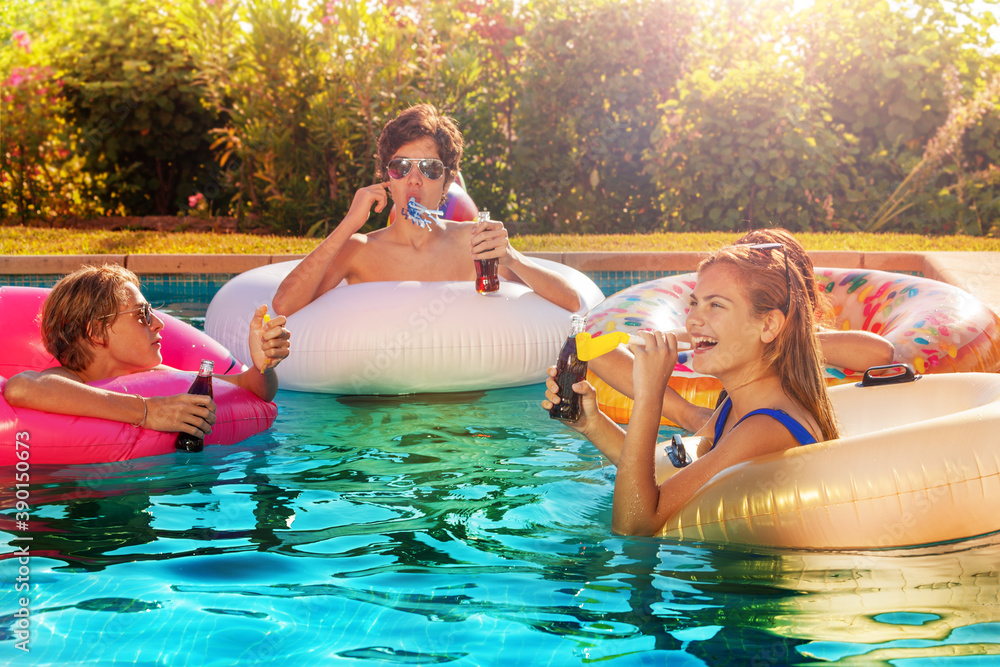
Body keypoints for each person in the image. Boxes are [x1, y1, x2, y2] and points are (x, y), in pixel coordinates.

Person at [543, 242, 841, 536]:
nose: (693, 320)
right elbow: (662, 472)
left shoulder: (766, 428)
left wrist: (650, 395)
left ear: (768, 326)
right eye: (695, 303)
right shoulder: (736, 407)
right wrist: (592, 424)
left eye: (716, 305)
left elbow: (633, 524)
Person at [272, 104, 581, 316]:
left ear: (447, 180)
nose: (414, 180)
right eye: (402, 167)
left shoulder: (472, 244)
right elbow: (284, 305)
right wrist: (350, 224)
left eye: (430, 168)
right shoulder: (358, 251)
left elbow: (570, 302)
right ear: (387, 179)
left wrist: (512, 257)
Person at [586, 228, 894, 432]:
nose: (696, 318)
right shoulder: (711, 333)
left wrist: (772, 339)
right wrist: (687, 413)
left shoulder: (773, 419)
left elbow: (881, 353)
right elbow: (598, 350)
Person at [3, 264, 290, 440]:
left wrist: (263, 363)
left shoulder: (157, 377)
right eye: (142, 315)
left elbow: (251, 389)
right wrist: (148, 412)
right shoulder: (68, 379)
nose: (159, 323)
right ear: (97, 332)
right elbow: (21, 389)